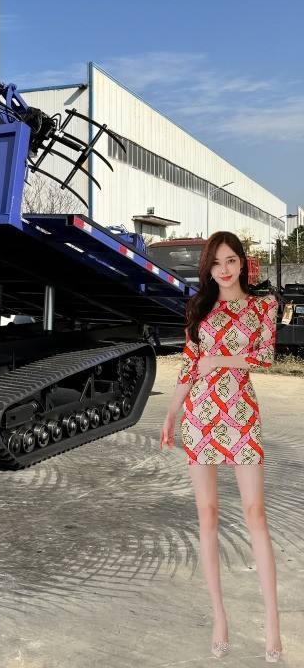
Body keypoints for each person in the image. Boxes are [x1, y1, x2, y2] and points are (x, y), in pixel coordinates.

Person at [159, 231, 282, 663]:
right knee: (207, 515)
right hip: (201, 416)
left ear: (242, 263)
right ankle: (219, 617)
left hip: (241, 414)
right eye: (216, 262)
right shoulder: (199, 308)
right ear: (208, 269)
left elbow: (266, 357)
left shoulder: (263, 306)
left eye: (231, 260)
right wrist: (172, 413)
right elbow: (189, 364)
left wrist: (222, 360)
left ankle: (272, 622)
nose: (224, 269)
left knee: (255, 514)